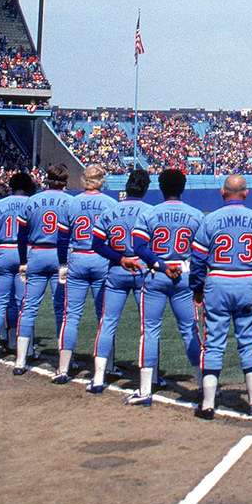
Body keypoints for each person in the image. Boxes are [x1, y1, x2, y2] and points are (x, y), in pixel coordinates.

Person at [196, 172, 252, 419]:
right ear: (246, 193)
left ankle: (208, 405)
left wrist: (197, 289)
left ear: (222, 193)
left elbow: (199, 259)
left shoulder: (210, 220)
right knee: (249, 340)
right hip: (246, 281)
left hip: (217, 280)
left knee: (213, 342)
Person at [126, 168, 206, 406]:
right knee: (190, 330)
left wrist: (160, 264)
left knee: (149, 331)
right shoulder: (196, 214)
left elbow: (139, 246)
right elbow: (202, 254)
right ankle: (205, 386)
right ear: (183, 187)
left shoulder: (150, 213)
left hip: (156, 274)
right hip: (184, 274)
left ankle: (144, 391)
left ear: (160, 188)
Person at [89, 167, 153, 394]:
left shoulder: (111, 211)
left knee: (107, 323)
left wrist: (120, 258)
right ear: (145, 188)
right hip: (143, 270)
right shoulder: (151, 212)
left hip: (117, 269)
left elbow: (96, 244)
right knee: (148, 327)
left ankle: (98, 378)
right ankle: (152, 378)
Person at [55, 165, 117, 384]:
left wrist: (63, 263)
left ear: (83, 180)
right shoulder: (111, 203)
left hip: (78, 257)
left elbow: (62, 238)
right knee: (105, 315)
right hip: (101, 259)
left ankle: (63, 368)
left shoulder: (71, 203)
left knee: (70, 315)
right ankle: (107, 365)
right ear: (101, 180)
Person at [13, 165, 73, 375]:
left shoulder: (32, 201)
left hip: (36, 252)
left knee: (28, 307)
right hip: (60, 255)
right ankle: (63, 362)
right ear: (65, 182)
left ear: (47, 180)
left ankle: (20, 360)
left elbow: (21, 235)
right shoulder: (70, 201)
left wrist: (23, 261)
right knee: (62, 309)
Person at [0, 172, 36, 364]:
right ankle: (25, 349)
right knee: (24, 304)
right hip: (24, 254)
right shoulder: (32, 203)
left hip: (3, 250)